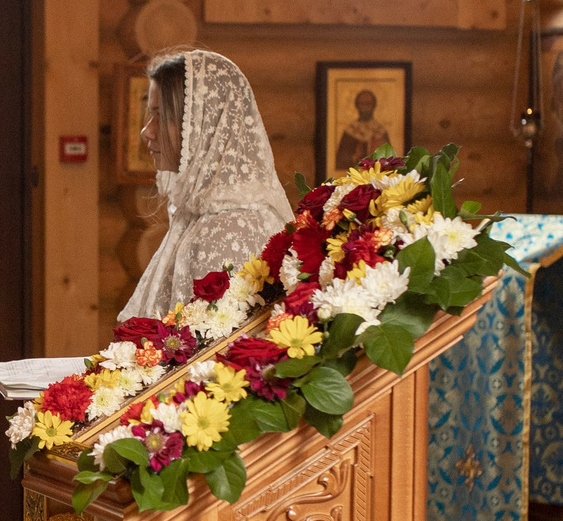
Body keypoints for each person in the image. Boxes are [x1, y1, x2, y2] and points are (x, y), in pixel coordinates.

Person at [119, 48, 292, 320]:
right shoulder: (202, 211)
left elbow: (205, 351)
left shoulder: (229, 228)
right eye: (149, 115)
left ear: (202, 124)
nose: (147, 131)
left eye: (161, 116)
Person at [333, 87, 396, 172]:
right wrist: (354, 157)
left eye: (368, 104)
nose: (365, 108)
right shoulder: (350, 132)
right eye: (362, 104)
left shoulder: (380, 131)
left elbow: (391, 162)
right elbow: (341, 161)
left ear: (374, 106)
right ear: (357, 106)